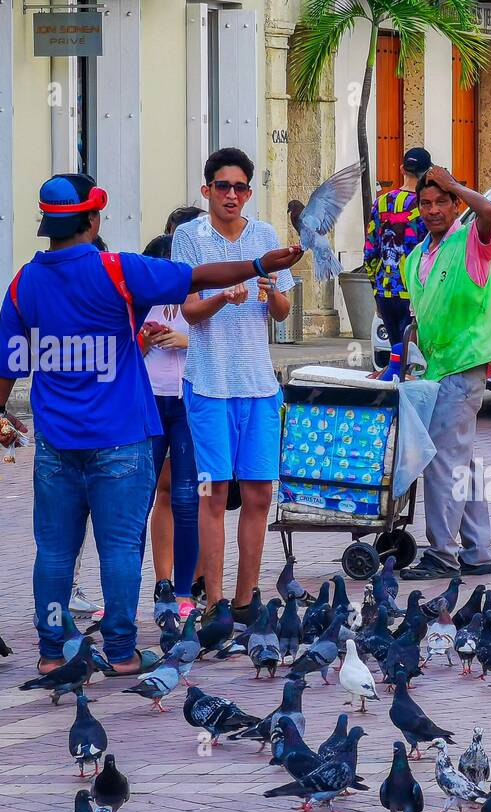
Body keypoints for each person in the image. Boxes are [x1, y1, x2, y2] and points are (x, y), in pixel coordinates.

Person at [0, 173, 302, 675]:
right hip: (120, 440)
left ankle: (50, 653)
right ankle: (121, 652)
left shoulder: (24, 283)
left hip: (55, 444)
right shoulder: (117, 271)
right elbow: (196, 277)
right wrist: (261, 264)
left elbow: (6, 360)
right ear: (93, 218)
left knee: (53, 551)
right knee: (119, 548)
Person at [171, 148, 297, 627]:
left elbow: (283, 314)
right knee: (213, 492)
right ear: (206, 191)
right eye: (221, 186)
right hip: (207, 382)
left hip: (259, 384)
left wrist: (272, 291)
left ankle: (246, 601)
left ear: (248, 192)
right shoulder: (189, 237)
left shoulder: (265, 236)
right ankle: (213, 602)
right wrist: (223, 295)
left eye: (239, 187)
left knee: (260, 493)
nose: (230, 195)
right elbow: (188, 312)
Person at [396, 165, 491, 580]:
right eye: (426, 202)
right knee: (461, 460)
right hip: (435, 370)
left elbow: (489, 212)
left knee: (442, 461)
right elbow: (418, 321)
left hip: (463, 364)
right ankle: (477, 550)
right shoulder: (416, 258)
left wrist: (458, 182)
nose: (434, 209)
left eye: (443, 201)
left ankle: (442, 553)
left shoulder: (471, 242)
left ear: (456, 204)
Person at [140, 205, 204, 619]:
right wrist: (143, 340)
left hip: (188, 402)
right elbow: (121, 351)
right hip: (148, 403)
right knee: (145, 495)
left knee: (188, 497)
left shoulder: (199, 303)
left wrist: (185, 340)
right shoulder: (139, 304)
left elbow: (226, 348)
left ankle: (187, 588)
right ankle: (159, 584)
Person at [364, 147, 430, 377]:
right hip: (414, 294)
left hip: (386, 291)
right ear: (428, 172)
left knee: (396, 357)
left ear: (402, 169)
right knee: (412, 363)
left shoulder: (381, 203)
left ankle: (393, 408)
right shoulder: (427, 207)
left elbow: (369, 253)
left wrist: (376, 290)